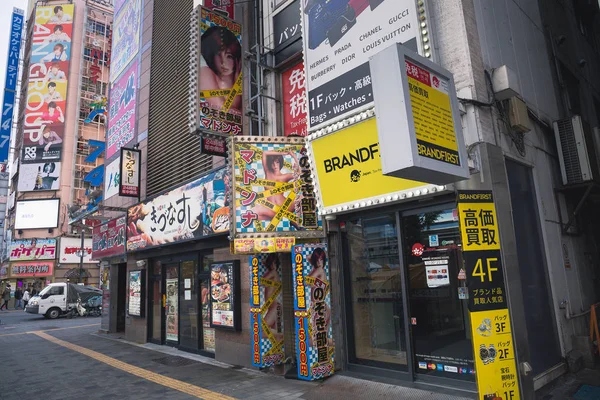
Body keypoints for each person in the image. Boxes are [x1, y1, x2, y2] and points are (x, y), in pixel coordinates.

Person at [251, 150, 300, 226]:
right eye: (272, 163)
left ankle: (293, 220)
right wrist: (282, 153)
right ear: (269, 164)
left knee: (303, 197)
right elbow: (265, 153)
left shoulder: (285, 176)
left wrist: (294, 156)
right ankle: (281, 219)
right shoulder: (268, 173)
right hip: (271, 209)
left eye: (277, 162)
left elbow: (300, 173)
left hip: (285, 207)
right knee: (252, 212)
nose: (275, 165)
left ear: (280, 163)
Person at [200, 26, 242, 112]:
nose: (223, 62)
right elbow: (223, 111)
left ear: (236, 59)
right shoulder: (205, 72)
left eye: (229, 56)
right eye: (218, 55)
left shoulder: (240, 79)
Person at [262, 254, 283, 342]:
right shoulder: (274, 273)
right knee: (275, 338)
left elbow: (260, 281)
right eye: (271, 263)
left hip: (274, 307)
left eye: (274, 263)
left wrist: (264, 264)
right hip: (275, 307)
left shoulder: (273, 273)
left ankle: (283, 335)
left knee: (262, 330)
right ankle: (277, 354)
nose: (273, 265)